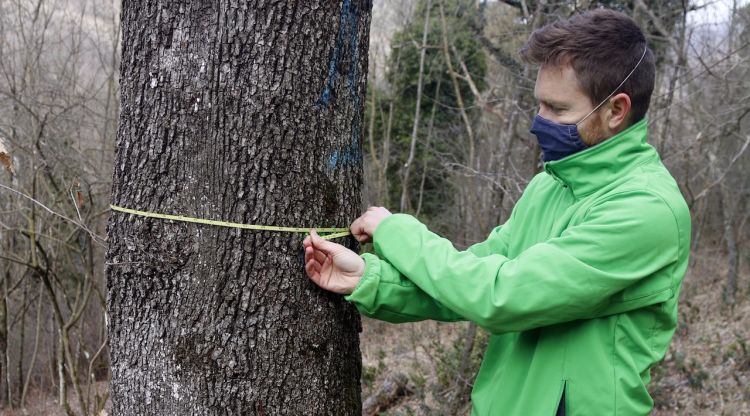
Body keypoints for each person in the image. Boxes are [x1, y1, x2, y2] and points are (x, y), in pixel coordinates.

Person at [303, 9, 690, 416]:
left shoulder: (647, 210)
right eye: (539, 104)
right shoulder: (550, 186)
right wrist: (370, 280)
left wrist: (396, 232)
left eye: (557, 110)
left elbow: (502, 295)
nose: (539, 123)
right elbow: (469, 276)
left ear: (616, 111)